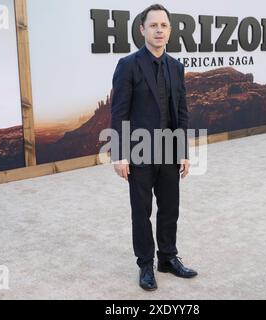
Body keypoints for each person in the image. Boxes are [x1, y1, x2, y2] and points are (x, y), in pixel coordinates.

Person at [111, 4, 197, 291]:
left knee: (170, 207)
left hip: (170, 150)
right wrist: (120, 153)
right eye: (153, 25)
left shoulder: (176, 67)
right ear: (142, 30)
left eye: (164, 25)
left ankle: (168, 258)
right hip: (139, 151)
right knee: (141, 210)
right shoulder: (128, 65)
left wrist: (184, 151)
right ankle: (145, 264)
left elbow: (182, 112)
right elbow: (119, 112)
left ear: (170, 30)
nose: (159, 30)